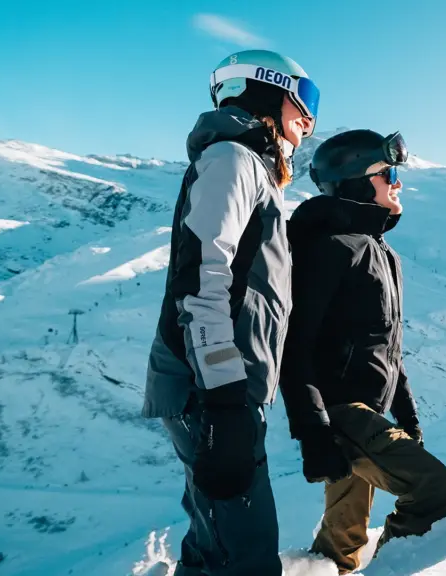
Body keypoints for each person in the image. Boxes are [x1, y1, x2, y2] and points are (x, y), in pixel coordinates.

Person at [140, 49, 321, 575]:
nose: (309, 120)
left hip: (223, 387)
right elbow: (202, 274)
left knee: (220, 541)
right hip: (211, 388)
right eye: (305, 100)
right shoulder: (233, 160)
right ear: (265, 90)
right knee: (241, 558)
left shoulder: (252, 167)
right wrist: (222, 396)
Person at [280, 129, 446, 574]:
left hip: (368, 412)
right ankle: (392, 569)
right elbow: (294, 345)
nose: (398, 182)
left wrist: (408, 415)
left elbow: (388, 347)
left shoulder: (381, 251)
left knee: (341, 537)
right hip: (342, 413)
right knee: (433, 490)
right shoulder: (329, 248)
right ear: (359, 181)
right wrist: (314, 431)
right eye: (387, 173)